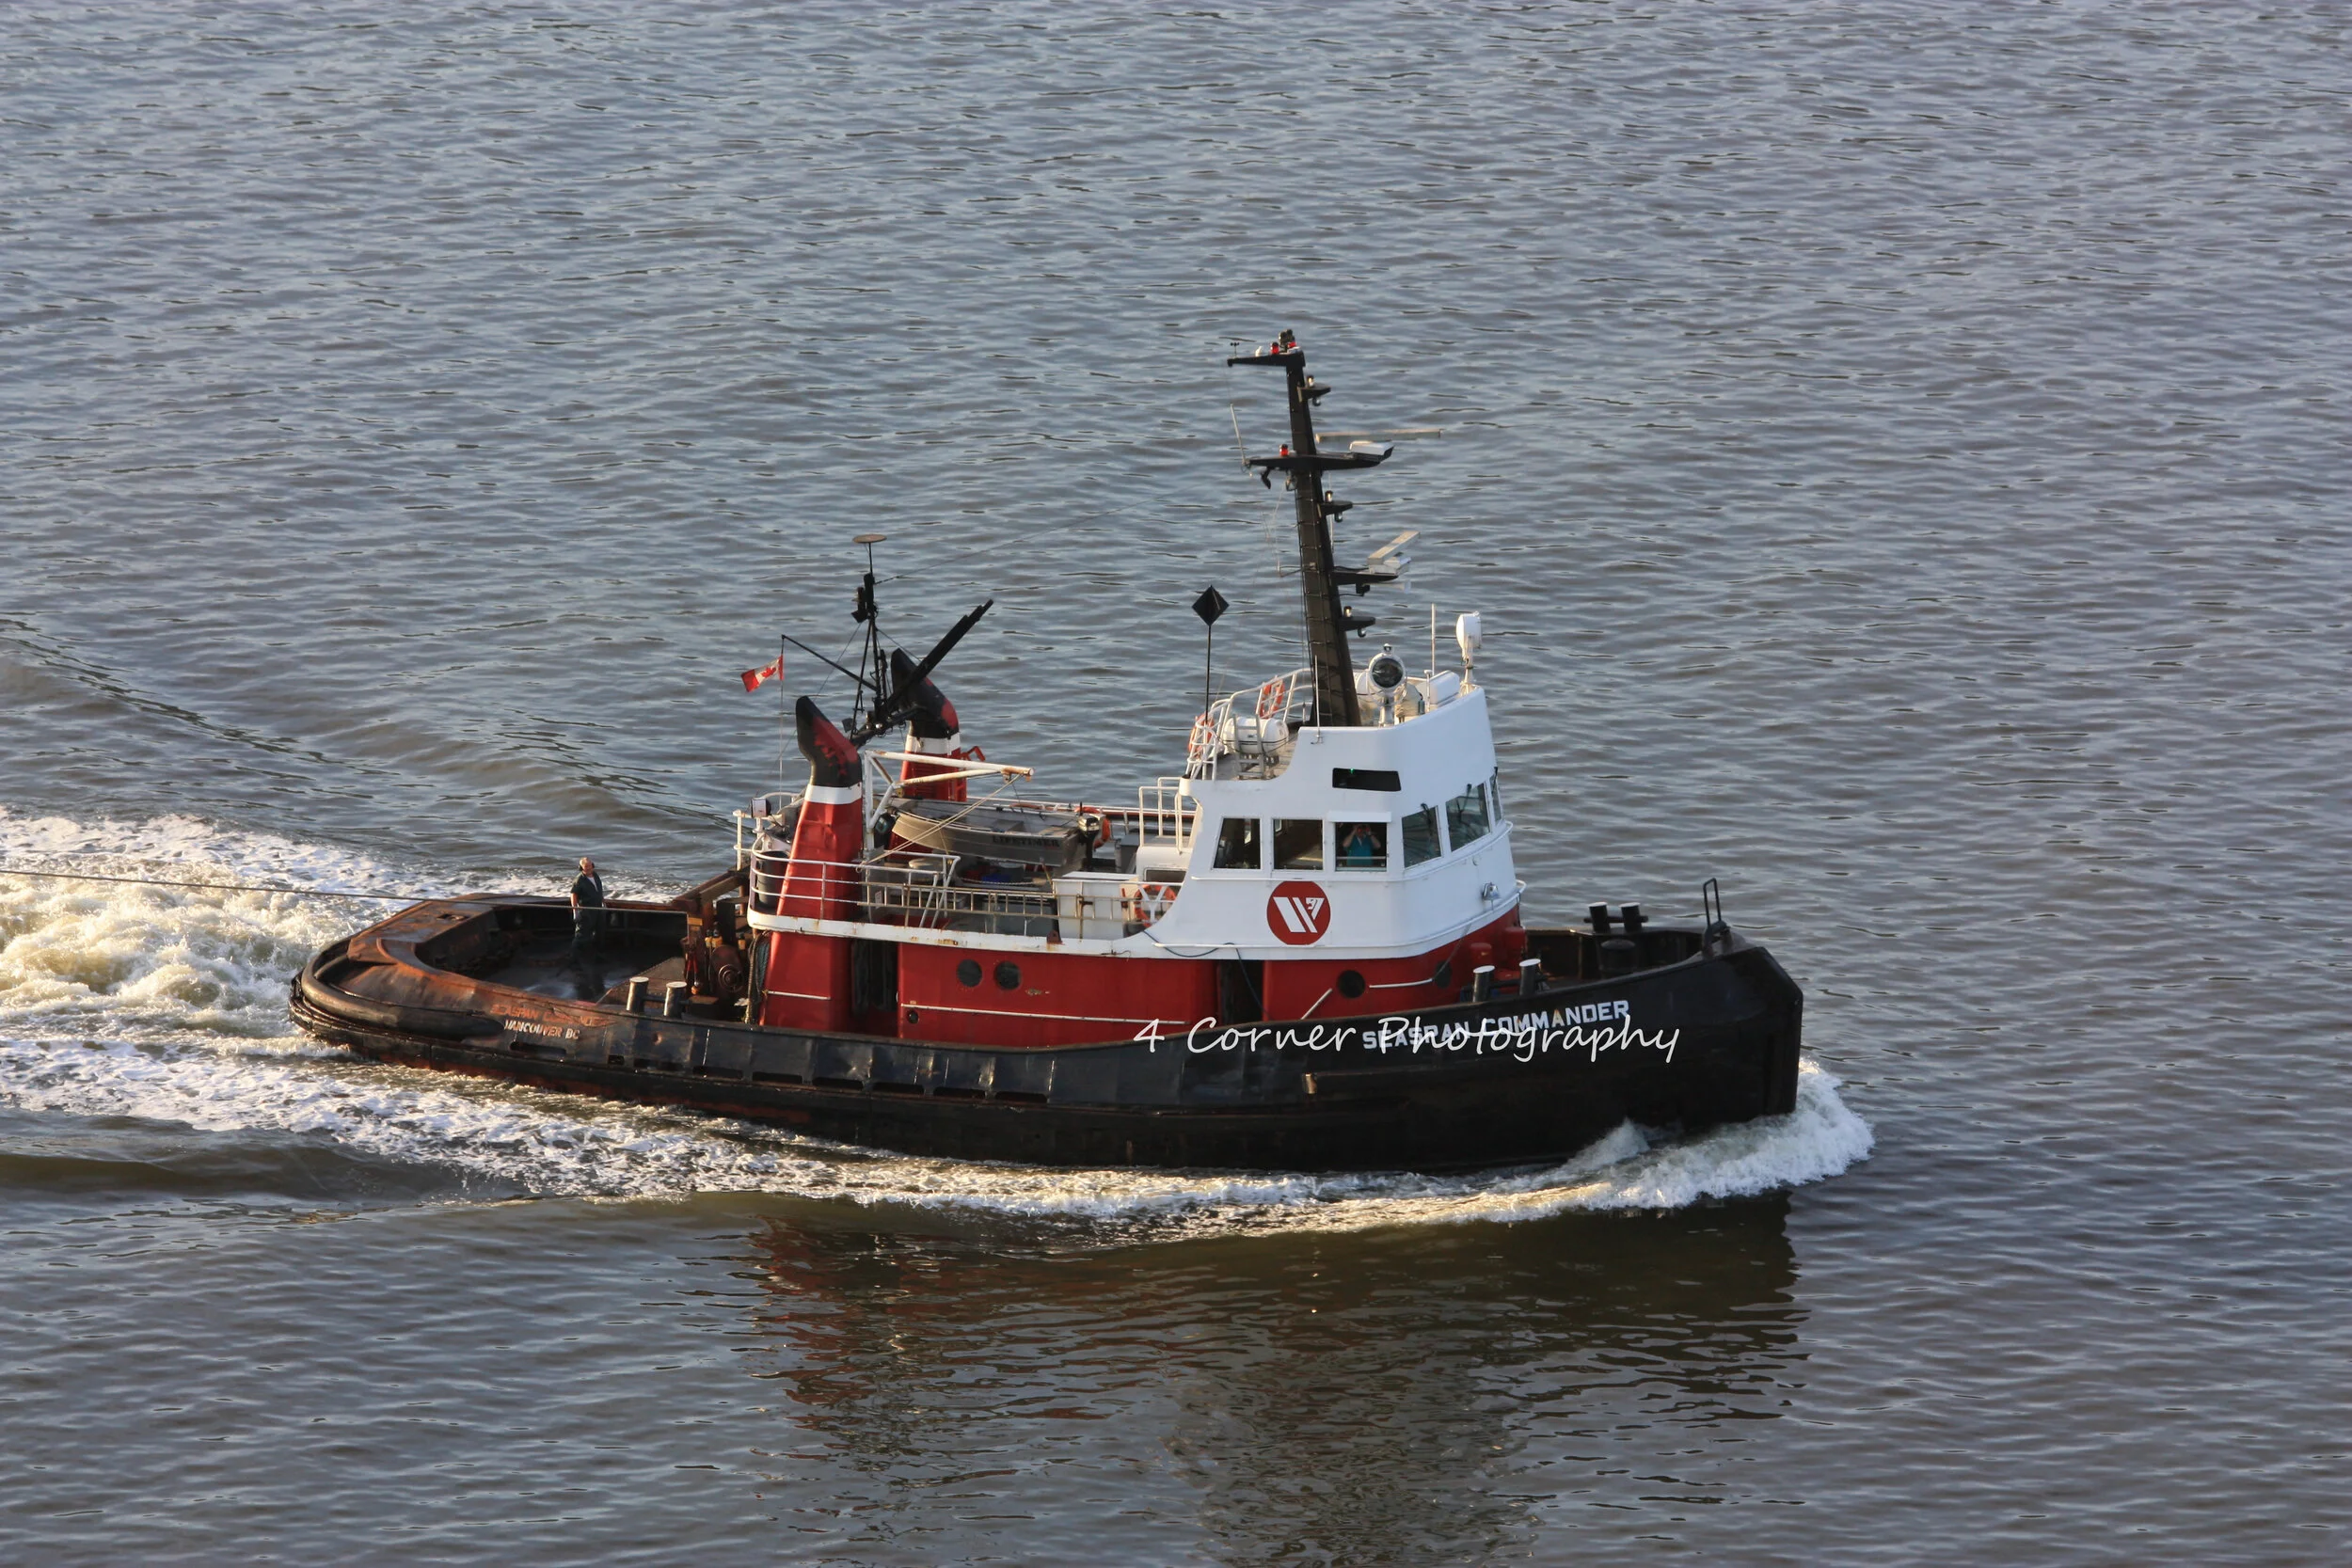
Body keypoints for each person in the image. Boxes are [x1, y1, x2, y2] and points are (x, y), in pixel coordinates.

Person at [570, 856, 606, 990]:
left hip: (598, 909)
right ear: (582, 868)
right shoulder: (579, 880)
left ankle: (598, 957)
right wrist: (576, 911)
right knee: (581, 935)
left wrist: (603, 902)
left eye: (590, 866)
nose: (589, 868)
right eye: (586, 867)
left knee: (600, 932)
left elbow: (599, 891)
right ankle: (574, 961)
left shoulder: (596, 875)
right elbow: (573, 895)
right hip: (586, 911)